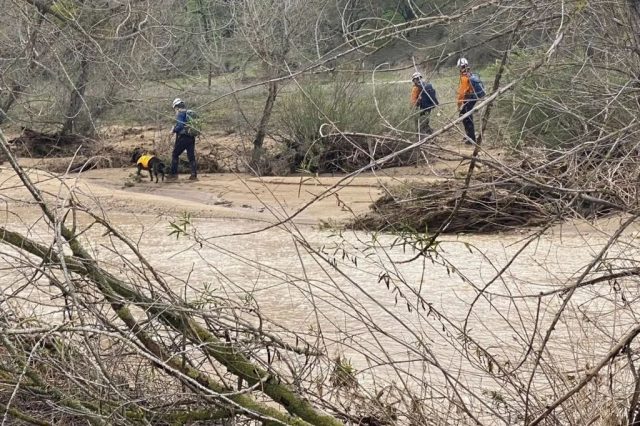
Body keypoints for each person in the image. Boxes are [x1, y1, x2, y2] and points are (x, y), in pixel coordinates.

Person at [167, 97, 197, 180]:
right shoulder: (188, 112)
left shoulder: (180, 113)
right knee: (191, 156)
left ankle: (173, 174)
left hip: (183, 137)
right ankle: (194, 174)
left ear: (176, 106)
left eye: (174, 108)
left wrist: (173, 130)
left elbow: (180, 126)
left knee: (175, 154)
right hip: (191, 137)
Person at [410, 71, 438, 138]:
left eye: (414, 80)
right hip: (429, 106)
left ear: (415, 79)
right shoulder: (426, 85)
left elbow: (413, 100)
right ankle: (430, 134)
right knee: (426, 121)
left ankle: (421, 136)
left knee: (419, 122)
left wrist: (412, 108)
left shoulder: (416, 87)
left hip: (421, 107)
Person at [456, 58, 476, 145]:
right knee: (465, 115)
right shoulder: (470, 74)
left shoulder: (464, 77)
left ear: (461, 67)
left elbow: (461, 93)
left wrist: (459, 104)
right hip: (472, 97)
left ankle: (471, 138)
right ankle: (469, 135)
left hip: (468, 98)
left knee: (466, 117)